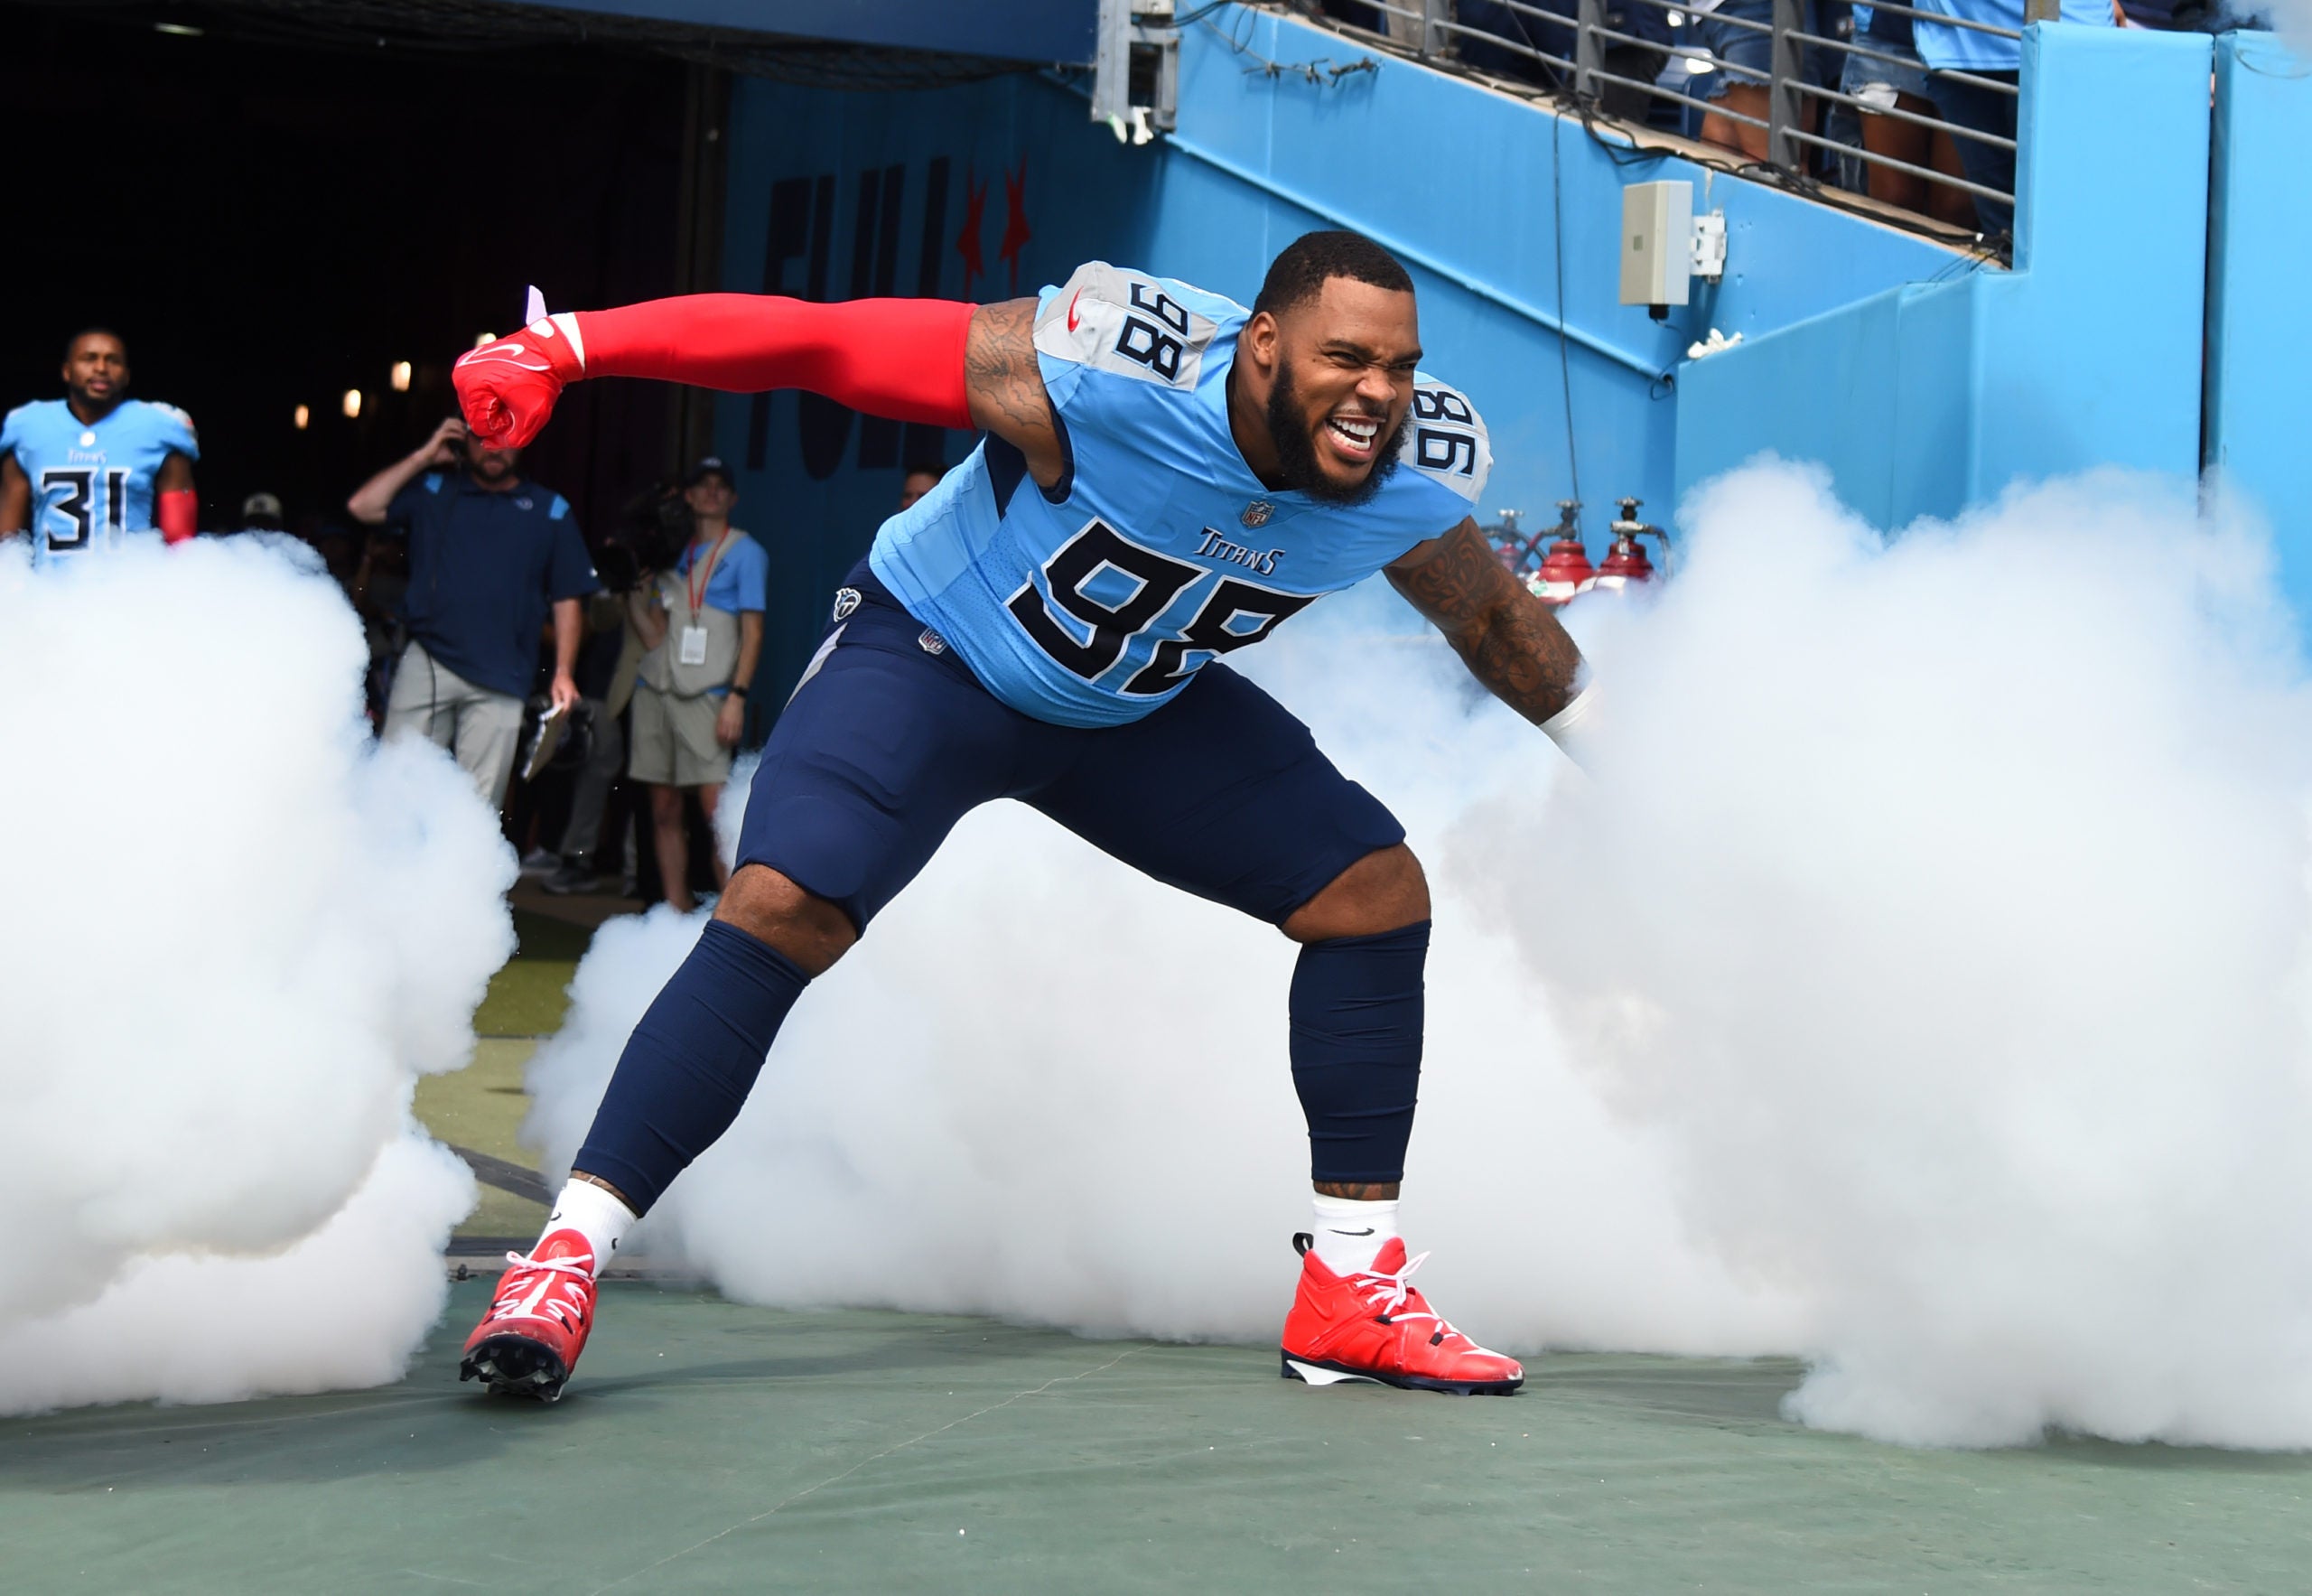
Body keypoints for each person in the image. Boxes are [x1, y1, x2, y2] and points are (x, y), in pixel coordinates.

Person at [451, 232, 1594, 1404]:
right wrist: (571, 346)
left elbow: (1502, 628)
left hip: (1130, 709)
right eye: (1344, 357)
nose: (1377, 394)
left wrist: (1635, 770)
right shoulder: (1109, 370)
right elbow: (825, 341)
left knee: (1371, 890)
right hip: (938, 651)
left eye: (1398, 366)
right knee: (786, 899)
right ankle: (564, 1256)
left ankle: (1350, 1284)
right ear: (1261, 347)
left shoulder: (1404, 474)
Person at [347, 415, 597, 808]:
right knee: (394, 792)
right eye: (482, 438)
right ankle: (395, 870)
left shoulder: (551, 510)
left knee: (476, 809)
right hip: (430, 659)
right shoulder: (434, 489)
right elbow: (363, 507)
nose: (493, 448)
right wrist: (425, 455)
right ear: (463, 441)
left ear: (523, 441)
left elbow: (568, 598)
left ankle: (460, 873)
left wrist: (564, 671)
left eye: (505, 438)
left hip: (504, 673)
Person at [624, 456, 768, 910]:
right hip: (656, 691)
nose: (710, 492)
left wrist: (737, 698)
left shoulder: (746, 552)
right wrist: (632, 586)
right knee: (663, 810)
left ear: (733, 497)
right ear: (687, 495)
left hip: (707, 697)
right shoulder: (671, 552)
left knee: (716, 813)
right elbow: (653, 636)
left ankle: (733, 917)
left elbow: (754, 631)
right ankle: (675, 911)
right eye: (701, 485)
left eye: (720, 485)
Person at [0, 329, 199, 560]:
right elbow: (7, 540)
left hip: (133, 586)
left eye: (112, 360)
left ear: (126, 375)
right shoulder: (28, 427)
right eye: (89, 358)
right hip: (51, 590)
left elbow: (180, 540)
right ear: (67, 371)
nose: (101, 368)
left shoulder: (160, 427)